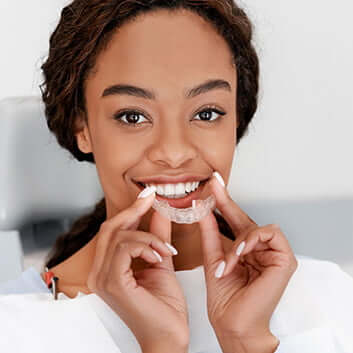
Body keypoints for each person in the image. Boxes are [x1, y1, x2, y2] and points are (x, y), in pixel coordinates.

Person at [1, 1, 352, 352]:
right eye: (132, 117)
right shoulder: (18, 329)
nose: (174, 151)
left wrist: (247, 342)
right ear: (83, 127)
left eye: (207, 113)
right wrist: (162, 345)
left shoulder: (328, 299)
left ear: (236, 119)